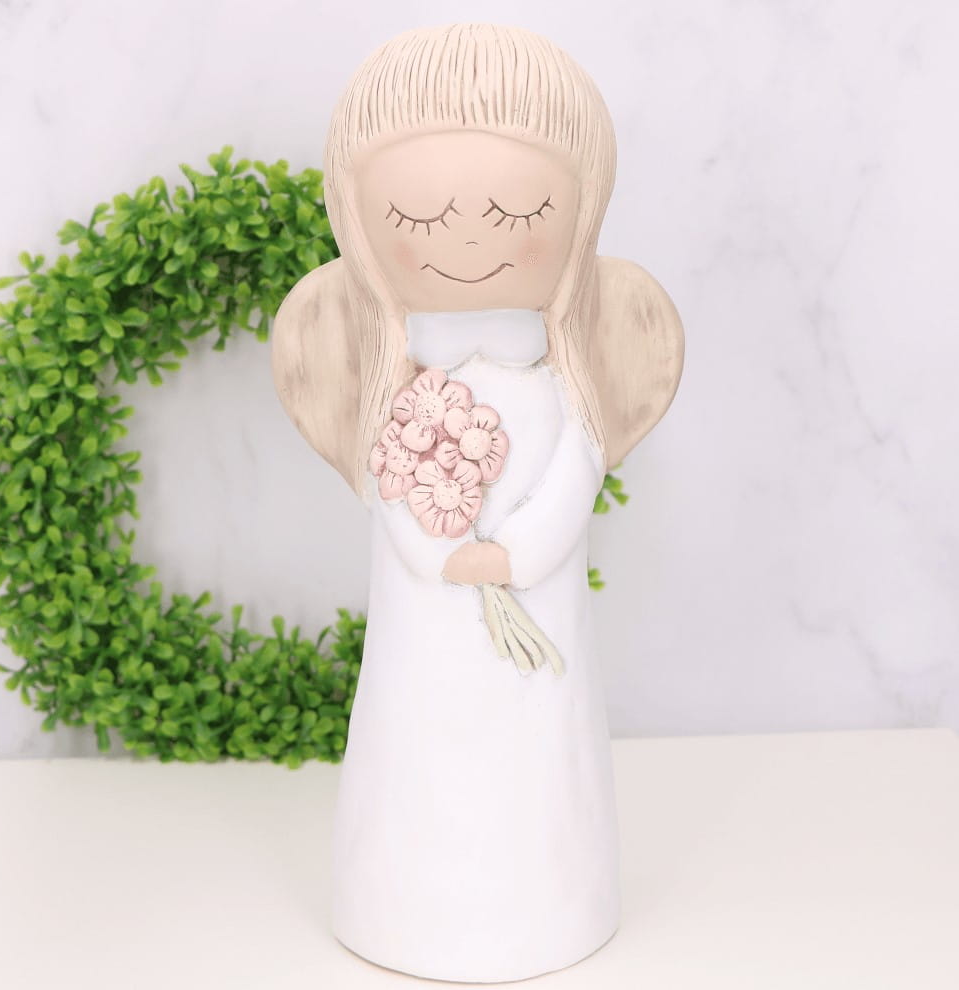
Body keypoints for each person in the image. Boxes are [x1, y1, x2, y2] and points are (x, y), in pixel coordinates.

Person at [272, 22, 684, 983]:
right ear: (362, 227)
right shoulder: (393, 384)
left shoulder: (558, 386)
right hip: (424, 628)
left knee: (534, 745)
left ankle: (549, 907)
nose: (466, 238)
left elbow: (575, 475)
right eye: (415, 217)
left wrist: (517, 553)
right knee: (419, 744)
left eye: (517, 210)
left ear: (578, 218)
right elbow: (389, 487)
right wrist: (440, 555)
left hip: (535, 622)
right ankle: (401, 906)